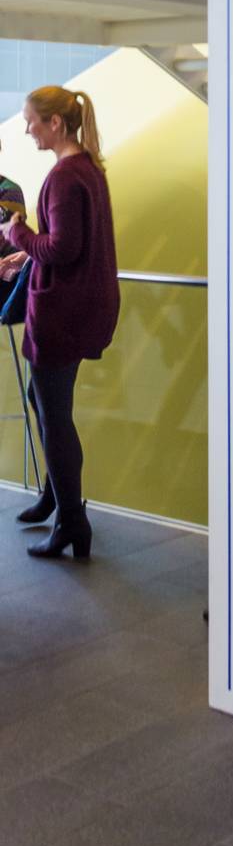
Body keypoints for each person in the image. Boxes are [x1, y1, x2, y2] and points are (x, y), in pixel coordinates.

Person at [0, 87, 119, 558]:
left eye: (31, 120)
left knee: (54, 412)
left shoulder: (66, 177)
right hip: (82, 307)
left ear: (53, 123)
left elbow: (62, 249)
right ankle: (58, 496)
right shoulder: (87, 169)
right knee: (44, 401)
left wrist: (18, 235)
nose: (26, 129)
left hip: (62, 312)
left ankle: (72, 519)